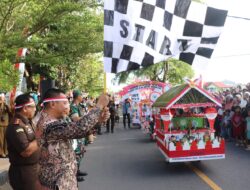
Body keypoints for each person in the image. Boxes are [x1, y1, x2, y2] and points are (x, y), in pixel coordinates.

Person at [36, 88, 109, 190]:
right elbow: (79, 128)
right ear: (52, 104)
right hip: (56, 183)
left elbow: (77, 130)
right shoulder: (48, 125)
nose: (68, 106)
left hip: (63, 181)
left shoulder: (54, 121)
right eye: (65, 103)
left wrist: (98, 121)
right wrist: (99, 106)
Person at [5, 93, 40, 190]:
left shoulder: (27, 122)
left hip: (33, 170)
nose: (35, 109)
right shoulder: (16, 125)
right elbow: (26, 151)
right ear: (25, 108)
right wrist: (41, 137)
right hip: (24, 173)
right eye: (33, 106)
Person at [70, 90, 88, 182]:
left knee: (81, 152)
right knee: (76, 153)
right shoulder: (72, 106)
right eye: (81, 95)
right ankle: (74, 174)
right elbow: (76, 118)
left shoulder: (80, 106)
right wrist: (88, 117)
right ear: (77, 96)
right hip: (76, 132)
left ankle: (78, 170)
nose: (83, 97)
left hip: (81, 132)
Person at [0, 93, 12, 158]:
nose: (3, 99)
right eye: (2, 98)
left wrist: (5, 104)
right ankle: (1, 152)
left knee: (6, 139)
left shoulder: (6, 105)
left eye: (3, 98)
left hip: (6, 124)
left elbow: (10, 112)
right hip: (0, 125)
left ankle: (6, 152)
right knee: (1, 139)